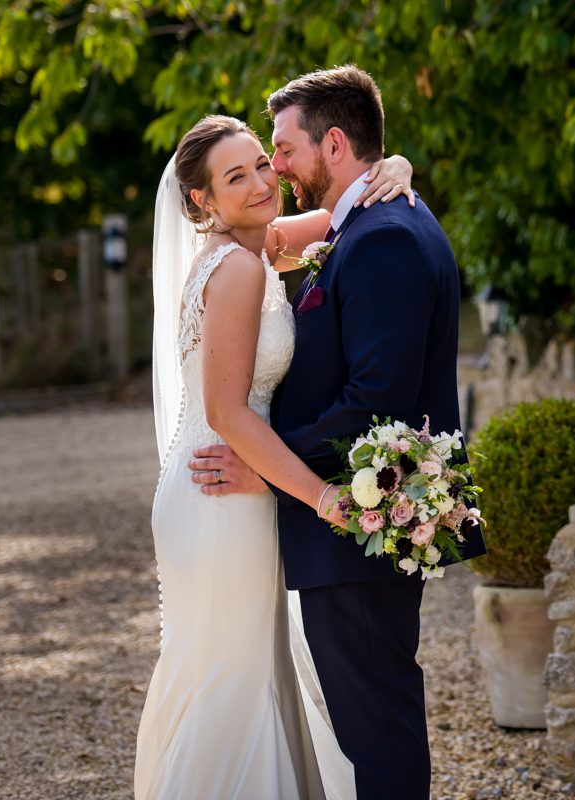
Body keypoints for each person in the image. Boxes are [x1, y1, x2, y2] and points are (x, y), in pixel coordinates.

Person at [180, 66, 487, 798]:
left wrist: (286, 478)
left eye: (278, 151)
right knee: (362, 714)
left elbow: (373, 398)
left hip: (351, 519)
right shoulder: (323, 232)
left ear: (338, 143)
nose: (273, 171)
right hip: (307, 505)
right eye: (251, 168)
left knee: (375, 724)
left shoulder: (378, 231)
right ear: (204, 199)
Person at [138, 112, 417, 799]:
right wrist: (323, 495)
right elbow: (226, 412)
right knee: (232, 679)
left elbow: (341, 215)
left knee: (241, 669)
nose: (263, 181)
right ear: (202, 201)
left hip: (226, 481)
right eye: (237, 176)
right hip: (223, 492)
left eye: (263, 162)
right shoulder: (236, 268)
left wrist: (399, 168)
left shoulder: (255, 244)